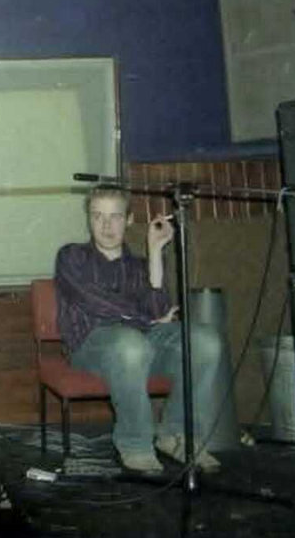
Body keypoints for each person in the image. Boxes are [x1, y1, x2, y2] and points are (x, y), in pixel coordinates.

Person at [54, 185, 224, 474]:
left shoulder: (139, 266)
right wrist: (143, 320)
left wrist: (155, 251)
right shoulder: (72, 256)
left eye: (115, 216)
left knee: (205, 341)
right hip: (91, 346)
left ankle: (178, 436)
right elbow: (93, 301)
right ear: (89, 219)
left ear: (130, 219)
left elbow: (159, 311)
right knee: (131, 343)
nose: (106, 226)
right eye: (97, 216)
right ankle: (135, 445)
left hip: (142, 344)